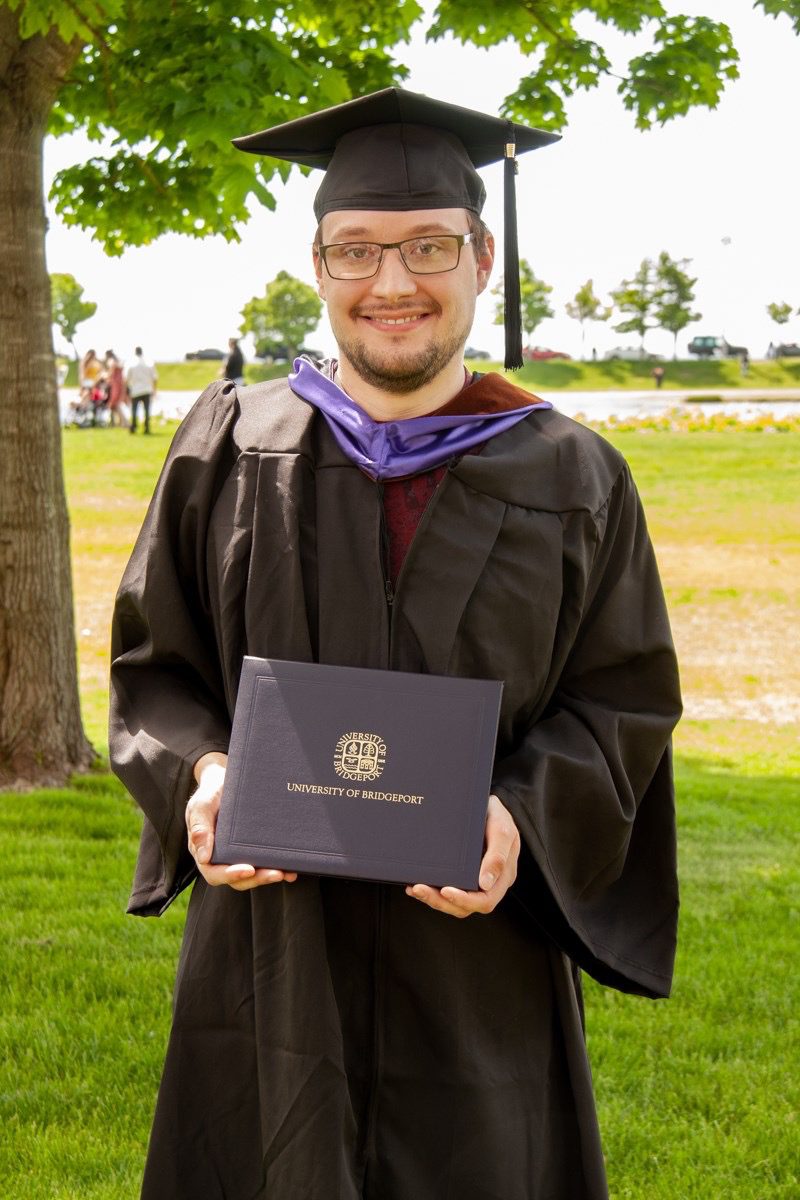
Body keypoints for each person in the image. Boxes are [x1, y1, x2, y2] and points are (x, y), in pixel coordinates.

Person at [110, 88, 681, 1200]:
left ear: (479, 256)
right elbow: (154, 668)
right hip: (271, 956)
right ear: (318, 268)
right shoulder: (232, 445)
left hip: (476, 960)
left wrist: (517, 818)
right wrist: (204, 775)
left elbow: (622, 703)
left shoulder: (572, 474)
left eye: (426, 246)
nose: (391, 283)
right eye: (355, 252)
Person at [126, 346, 157, 434]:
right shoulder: (149, 363)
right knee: (147, 410)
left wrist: (127, 390)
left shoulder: (131, 363)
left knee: (134, 410)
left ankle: (134, 426)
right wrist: (154, 390)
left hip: (135, 390)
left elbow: (127, 378)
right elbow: (155, 378)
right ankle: (147, 428)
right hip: (147, 389)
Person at [105, 349, 127, 427]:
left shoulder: (111, 361)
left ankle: (125, 422)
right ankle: (116, 422)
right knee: (113, 405)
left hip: (115, 385)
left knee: (115, 404)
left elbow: (110, 374)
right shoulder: (118, 361)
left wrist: (104, 376)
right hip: (120, 384)